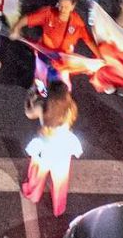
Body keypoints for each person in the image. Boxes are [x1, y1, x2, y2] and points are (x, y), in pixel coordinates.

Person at [21, 81, 81, 215]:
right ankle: (59, 207)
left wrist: (30, 98)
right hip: (63, 147)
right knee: (60, 180)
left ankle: (33, 194)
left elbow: (29, 113)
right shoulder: (71, 107)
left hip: (45, 148)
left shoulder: (43, 107)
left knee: (37, 175)